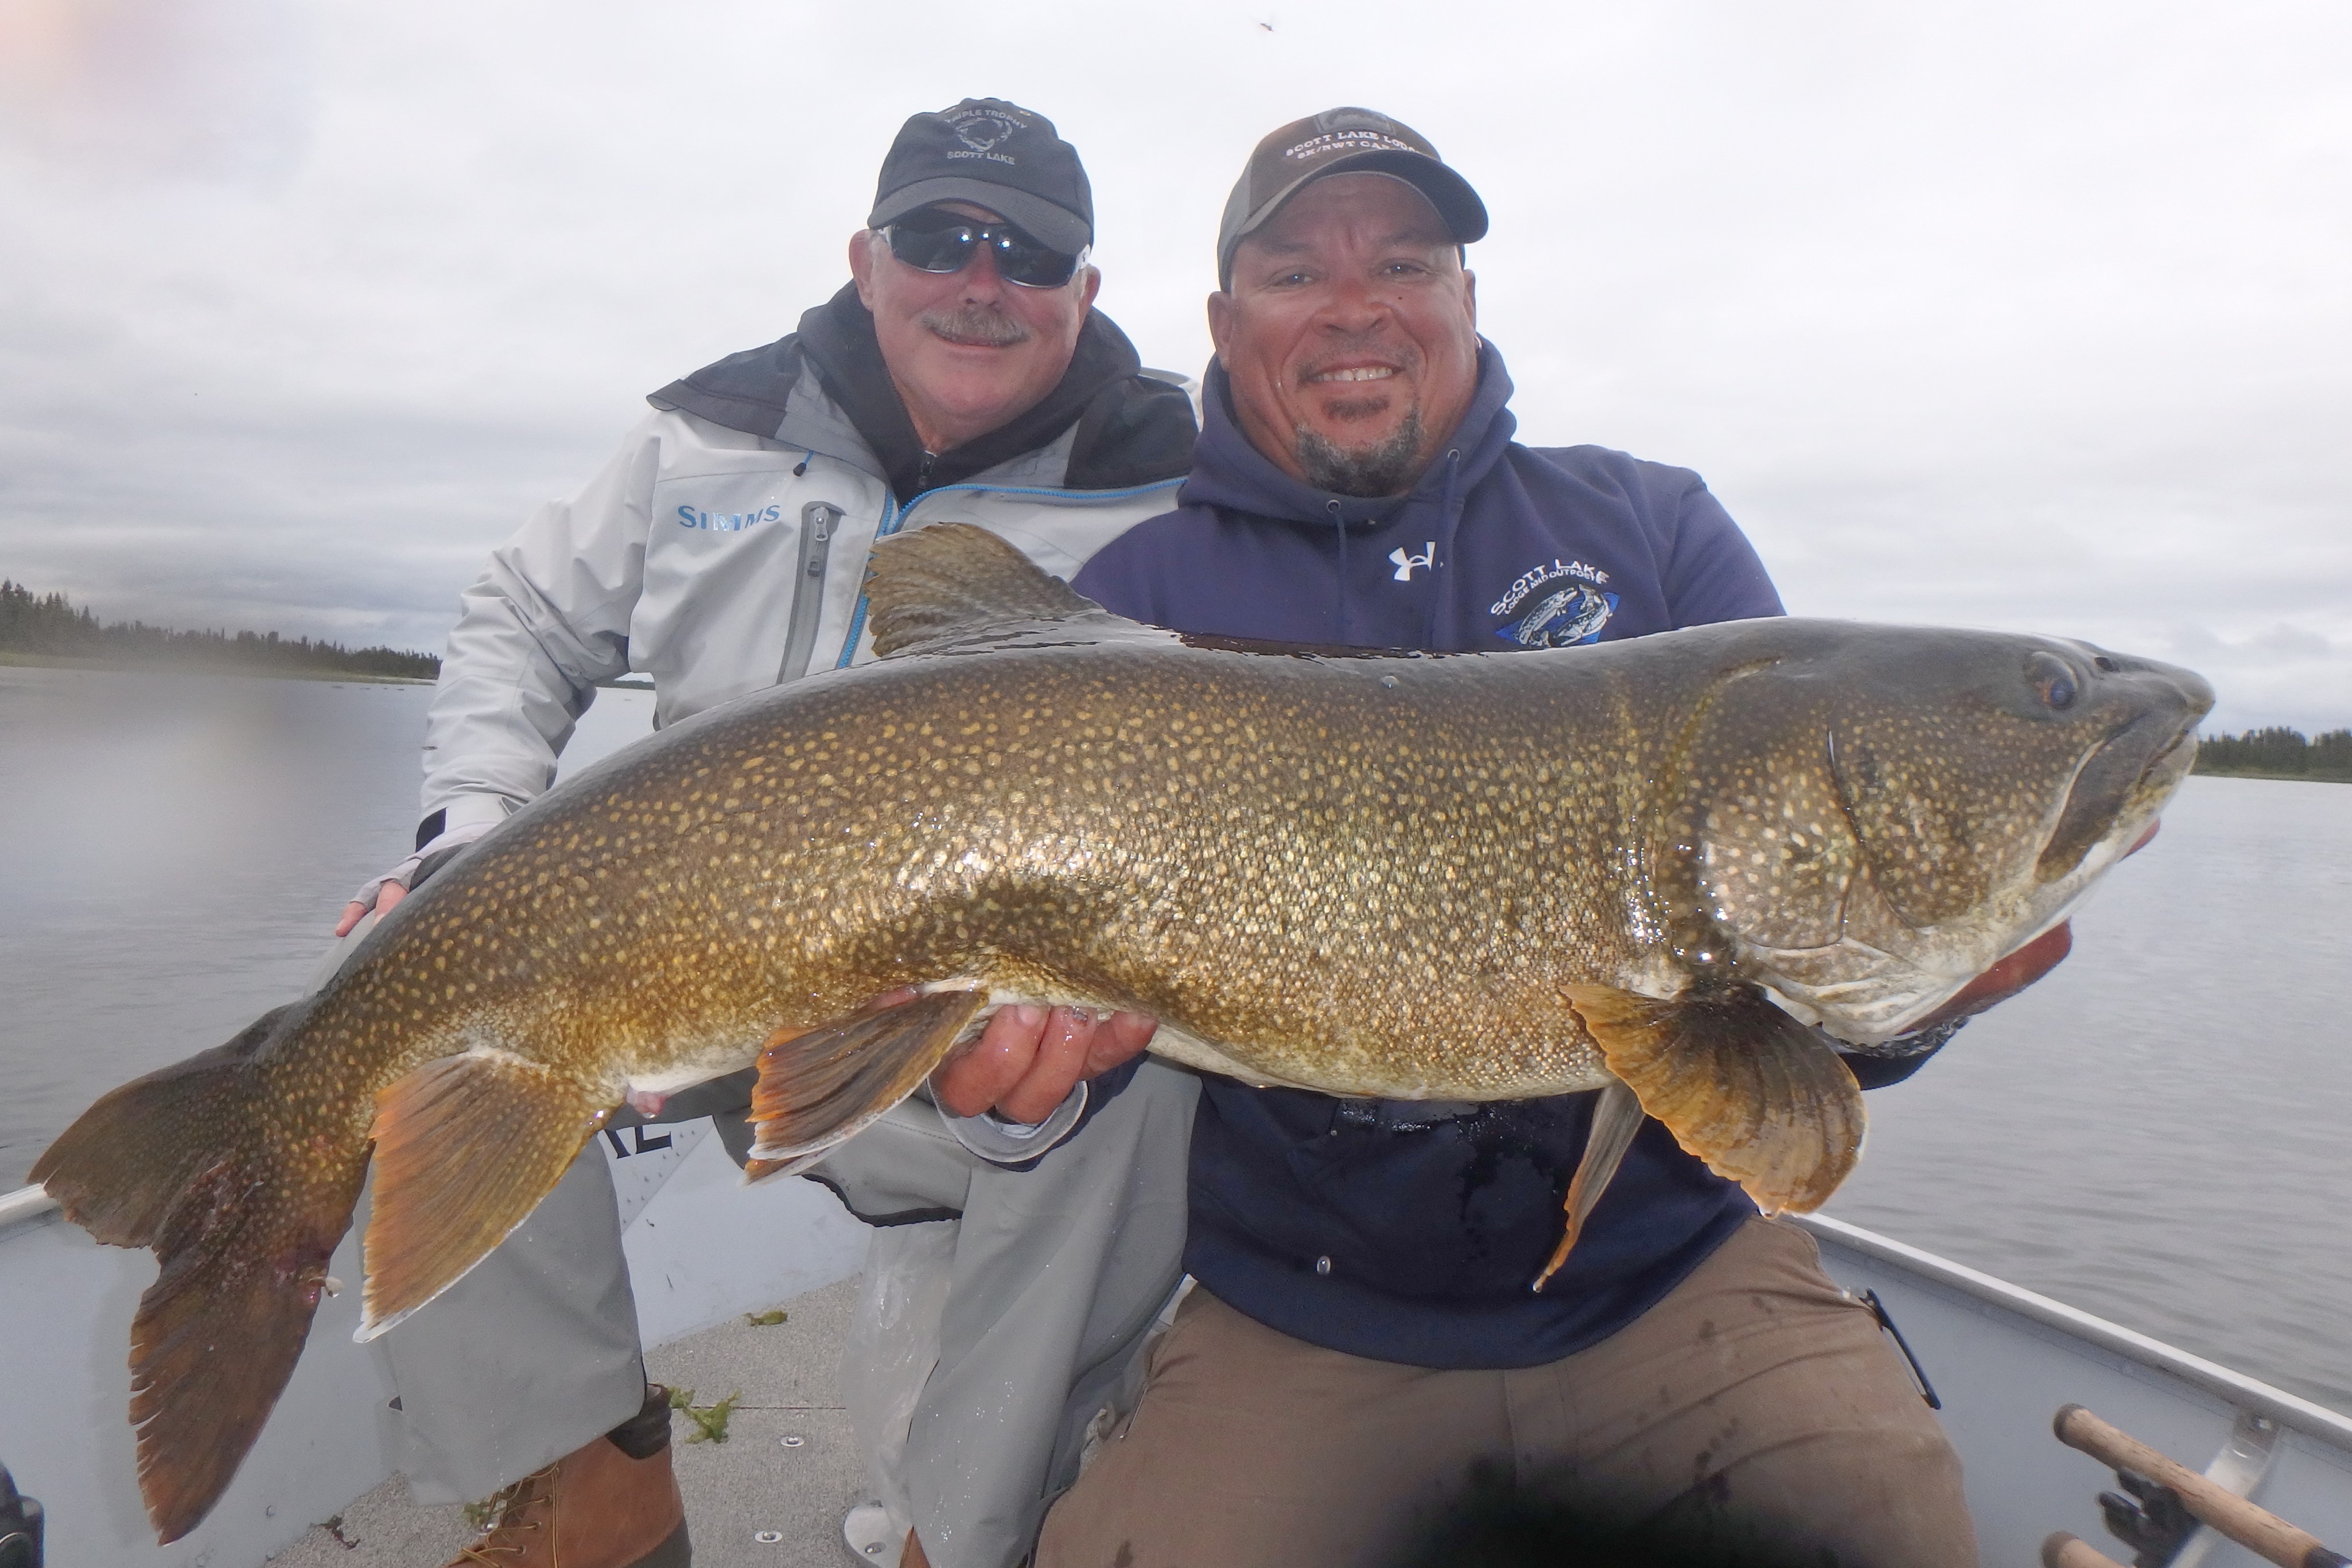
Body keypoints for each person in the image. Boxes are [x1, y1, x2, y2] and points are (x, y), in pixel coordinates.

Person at [1014, 108, 1988, 1567]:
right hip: (1303, 1315)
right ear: (1224, 322)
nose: (1356, 306)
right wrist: (1004, 1095)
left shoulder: (1653, 530)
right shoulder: (1132, 602)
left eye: (1405, 262)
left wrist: (1918, 997)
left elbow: (1789, 991)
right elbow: (1037, 1032)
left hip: (1671, 1284)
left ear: (1466, 297)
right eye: (1296, 271)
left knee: (1887, 1514)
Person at [327, 98, 1192, 1568]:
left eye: (1031, 255)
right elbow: (525, 615)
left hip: (958, 1009)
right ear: (866, 259)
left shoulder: (1176, 485)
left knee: (1132, 1089)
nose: (982, 281)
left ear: (1087, 291)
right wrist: (467, 830)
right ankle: (591, 1489)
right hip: (678, 969)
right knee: (417, 990)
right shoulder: (706, 432)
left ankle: (962, 1537)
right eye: (939, 238)